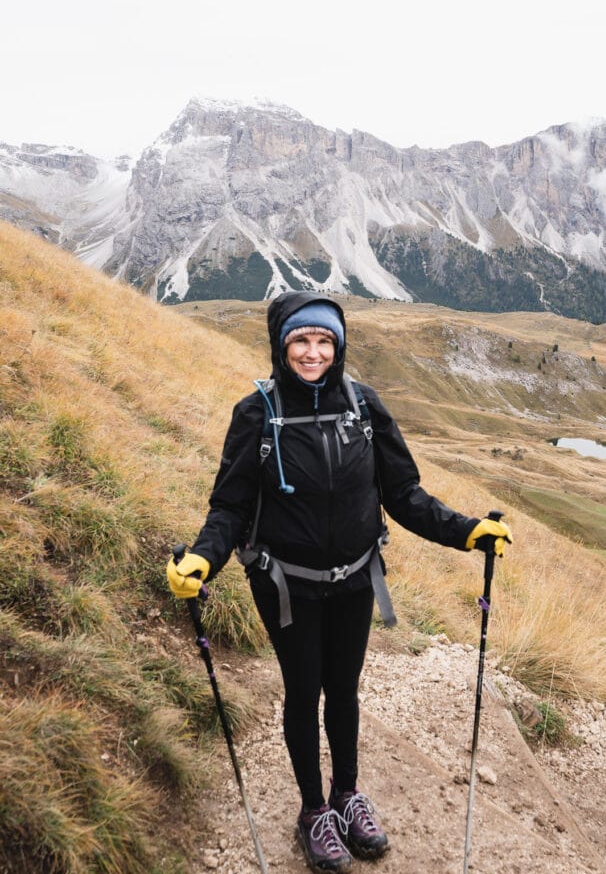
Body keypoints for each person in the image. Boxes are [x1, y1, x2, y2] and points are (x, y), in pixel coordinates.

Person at [167, 291, 512, 874]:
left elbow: (403, 495)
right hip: (285, 587)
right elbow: (229, 506)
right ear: (282, 346)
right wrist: (204, 558)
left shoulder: (365, 407)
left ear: (339, 345)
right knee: (304, 692)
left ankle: (347, 795)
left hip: (356, 581)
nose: (312, 351)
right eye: (301, 340)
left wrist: (467, 532)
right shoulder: (256, 413)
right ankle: (313, 811)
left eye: (324, 340)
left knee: (344, 689)